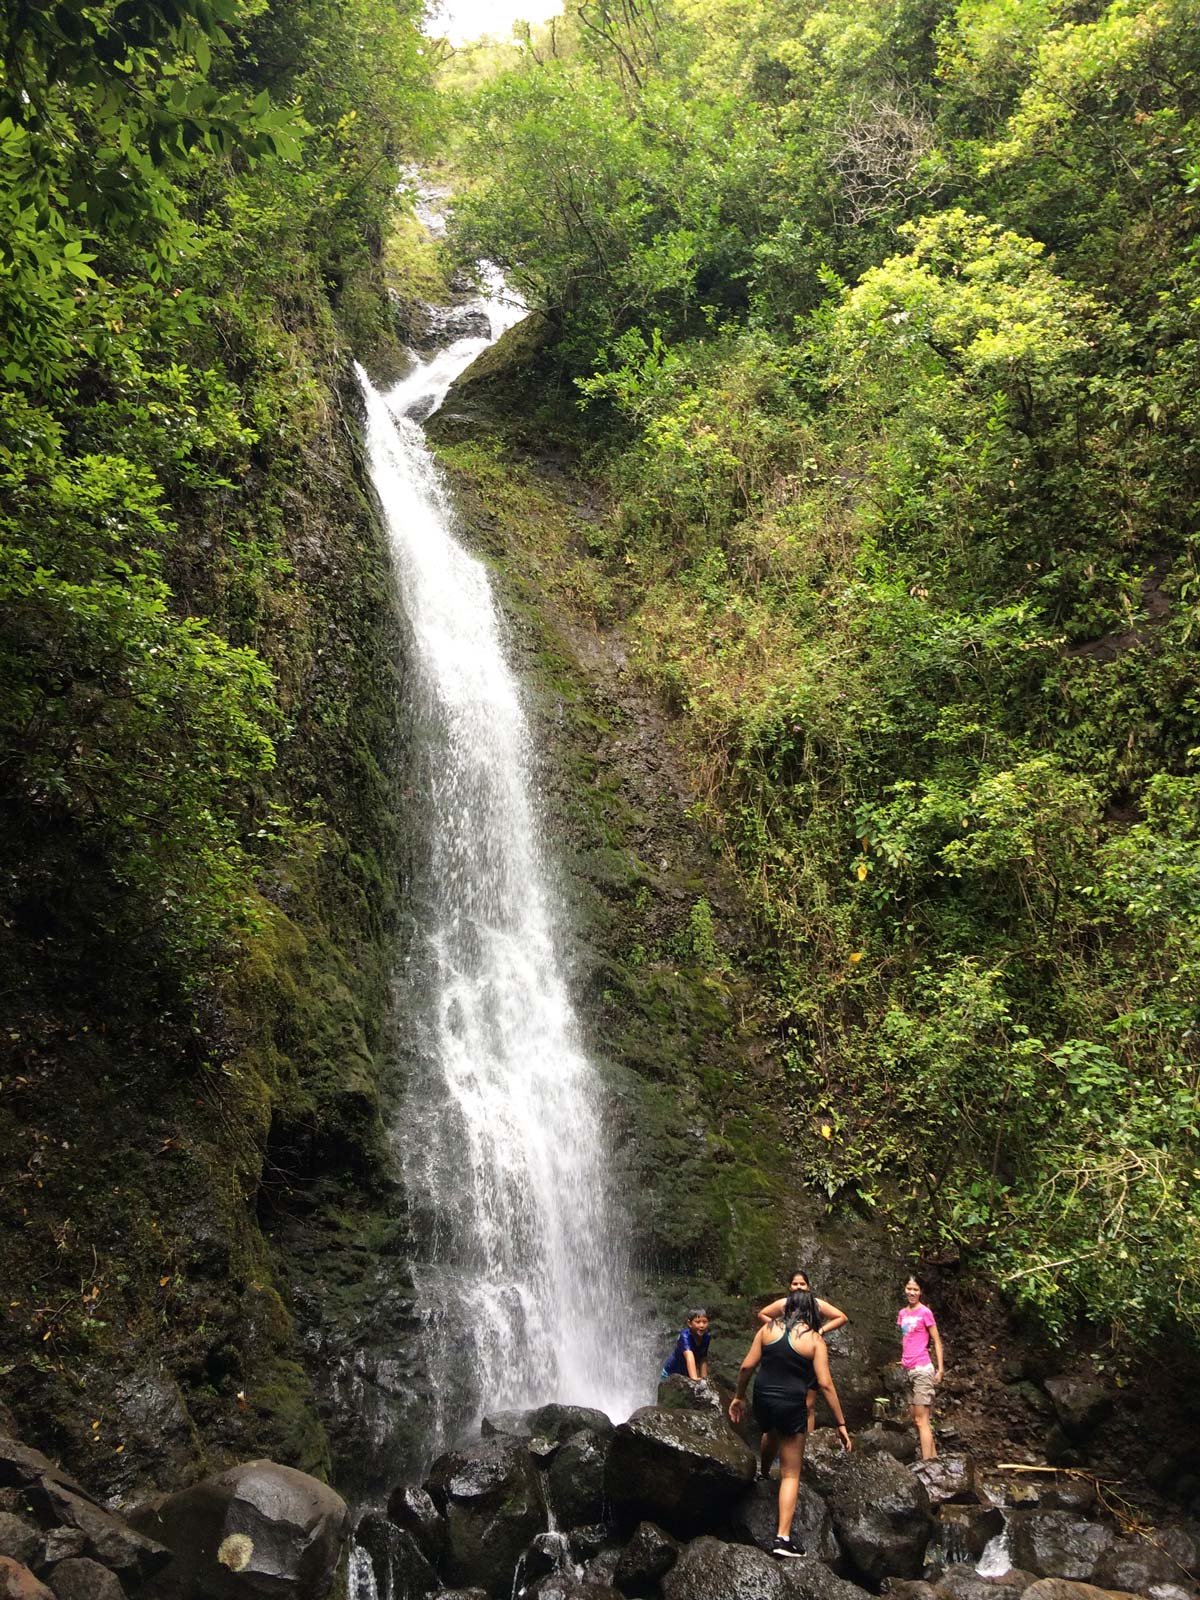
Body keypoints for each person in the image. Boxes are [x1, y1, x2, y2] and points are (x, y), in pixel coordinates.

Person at [729, 1289, 851, 1559]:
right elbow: (825, 1384)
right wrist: (841, 1423)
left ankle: (762, 1473)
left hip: (763, 1398)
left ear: (787, 1309)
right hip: (791, 1402)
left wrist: (739, 1396)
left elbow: (746, 1367)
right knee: (791, 1473)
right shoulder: (815, 1340)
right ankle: (782, 1538)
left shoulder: (767, 1329)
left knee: (769, 1430)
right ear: (813, 1313)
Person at [757, 1270, 848, 1437]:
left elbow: (841, 1317)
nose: (798, 1287)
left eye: (802, 1284)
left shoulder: (816, 1304)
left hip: (808, 1355)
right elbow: (762, 1313)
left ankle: (808, 1441)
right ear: (790, 1286)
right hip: (787, 1357)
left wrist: (821, 1329)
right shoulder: (785, 1303)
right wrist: (777, 1328)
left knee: (809, 1403)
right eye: (795, 1284)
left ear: (808, 1286)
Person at [897, 1274, 943, 1460]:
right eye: (909, 1288)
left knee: (921, 1420)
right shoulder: (902, 1313)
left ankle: (927, 1465)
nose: (912, 1292)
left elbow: (937, 1341)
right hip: (909, 1369)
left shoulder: (925, 1312)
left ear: (921, 1292)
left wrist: (940, 1369)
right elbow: (906, 1338)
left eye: (915, 1289)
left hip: (923, 1368)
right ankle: (934, 1460)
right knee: (919, 1419)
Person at [661, 1309, 710, 1381]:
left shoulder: (706, 1337)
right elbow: (689, 1357)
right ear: (689, 1323)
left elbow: (703, 1359)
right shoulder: (685, 1336)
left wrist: (705, 1380)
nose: (702, 1325)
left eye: (705, 1322)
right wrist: (694, 1379)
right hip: (670, 1374)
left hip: (685, 1375)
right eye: (698, 1322)